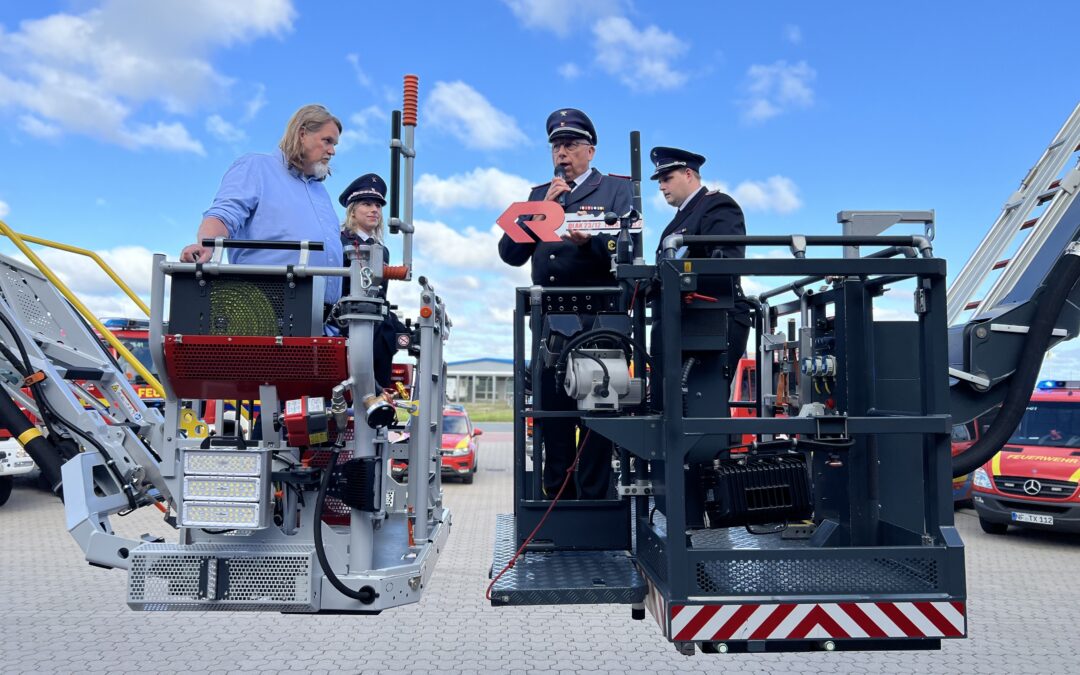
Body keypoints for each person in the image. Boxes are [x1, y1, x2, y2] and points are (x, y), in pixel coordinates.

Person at [498, 108, 632, 500]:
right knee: (553, 411)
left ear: (590, 150)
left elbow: (628, 248)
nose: (562, 153)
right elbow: (510, 254)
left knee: (597, 409)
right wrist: (542, 208)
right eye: (557, 146)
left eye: (571, 145)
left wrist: (589, 243)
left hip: (598, 316)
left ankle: (593, 499)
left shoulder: (615, 190)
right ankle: (557, 497)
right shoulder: (538, 194)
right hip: (550, 318)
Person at [180, 104, 344, 307]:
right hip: (266, 306)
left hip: (324, 319)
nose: (332, 151)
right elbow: (223, 214)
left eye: (334, 144)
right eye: (327, 141)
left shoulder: (321, 191)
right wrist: (206, 246)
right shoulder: (256, 167)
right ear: (302, 134)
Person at [649, 146, 752, 399]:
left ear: (688, 174)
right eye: (660, 181)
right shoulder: (683, 217)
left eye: (667, 179)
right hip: (684, 323)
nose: (662, 187)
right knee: (672, 405)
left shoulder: (717, 206)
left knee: (702, 404)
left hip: (711, 322)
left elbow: (726, 263)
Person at [337, 173, 406, 389]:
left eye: (378, 205)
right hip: (347, 323)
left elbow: (380, 296)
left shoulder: (381, 251)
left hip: (377, 325)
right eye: (367, 204)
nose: (374, 210)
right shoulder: (338, 242)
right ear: (352, 210)